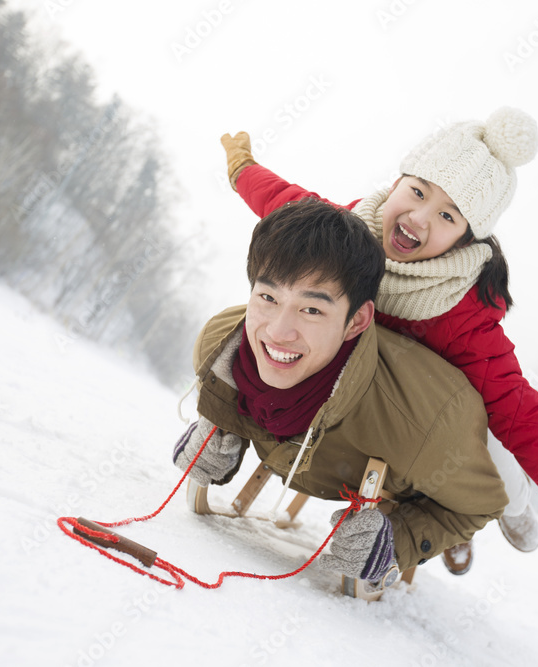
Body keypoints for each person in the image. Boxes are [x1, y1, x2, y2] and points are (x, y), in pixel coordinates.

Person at [219, 107, 538, 571]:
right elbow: (287, 203)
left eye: (447, 215)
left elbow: (516, 407)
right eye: (417, 191)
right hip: (365, 394)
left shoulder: (462, 309)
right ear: (397, 183)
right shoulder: (351, 237)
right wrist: (243, 170)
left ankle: (509, 511)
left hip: (434, 414)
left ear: (464, 239)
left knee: (495, 447)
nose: (418, 217)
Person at [174, 197, 510, 580]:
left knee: (483, 472)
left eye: (312, 310)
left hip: (436, 430)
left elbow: (482, 503)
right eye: (268, 297)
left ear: (356, 321)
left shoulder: (425, 429)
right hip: (323, 443)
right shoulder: (219, 343)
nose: (278, 332)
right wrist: (219, 422)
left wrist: (399, 538)